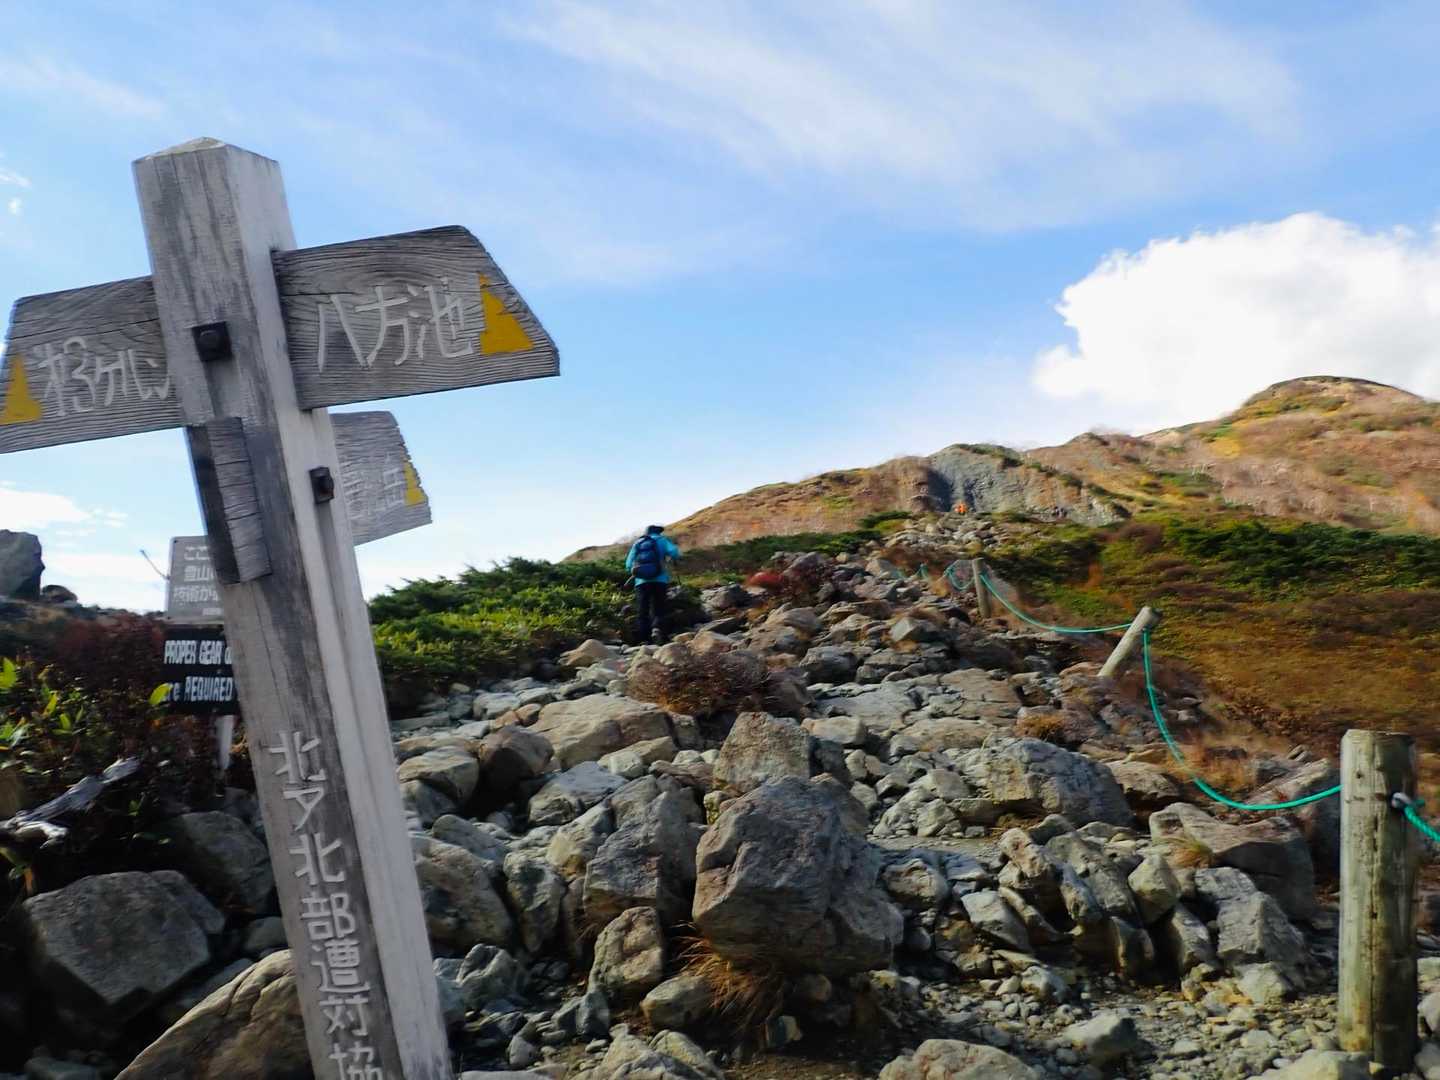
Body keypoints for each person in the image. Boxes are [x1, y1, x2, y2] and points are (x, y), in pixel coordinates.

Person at [626, 524, 681, 643]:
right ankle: (661, 634)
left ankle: (644, 639)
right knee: (659, 608)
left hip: (641, 582)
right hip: (660, 579)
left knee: (643, 610)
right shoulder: (662, 540)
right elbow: (675, 552)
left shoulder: (638, 543)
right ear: (659, 532)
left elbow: (628, 564)